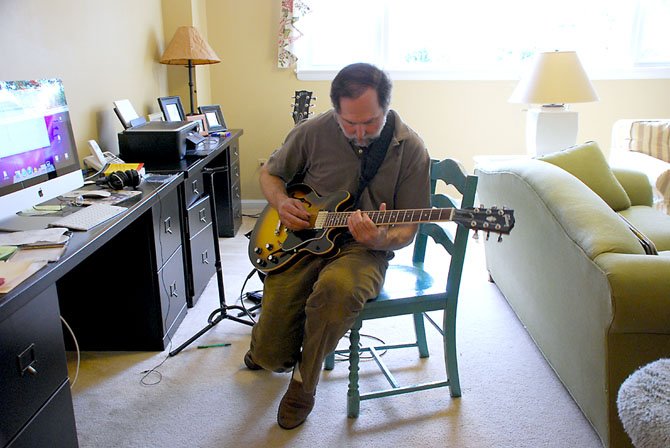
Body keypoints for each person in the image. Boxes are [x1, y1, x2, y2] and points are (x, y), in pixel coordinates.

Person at [245, 62, 431, 429]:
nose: (361, 133)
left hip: (364, 249)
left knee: (337, 290)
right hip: (304, 240)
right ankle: (266, 345)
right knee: (270, 358)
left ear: (387, 108)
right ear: (335, 111)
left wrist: (381, 238)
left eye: (371, 122)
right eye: (350, 124)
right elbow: (270, 172)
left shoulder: (411, 149)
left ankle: (303, 384)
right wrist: (282, 203)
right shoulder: (311, 132)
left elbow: (409, 226)